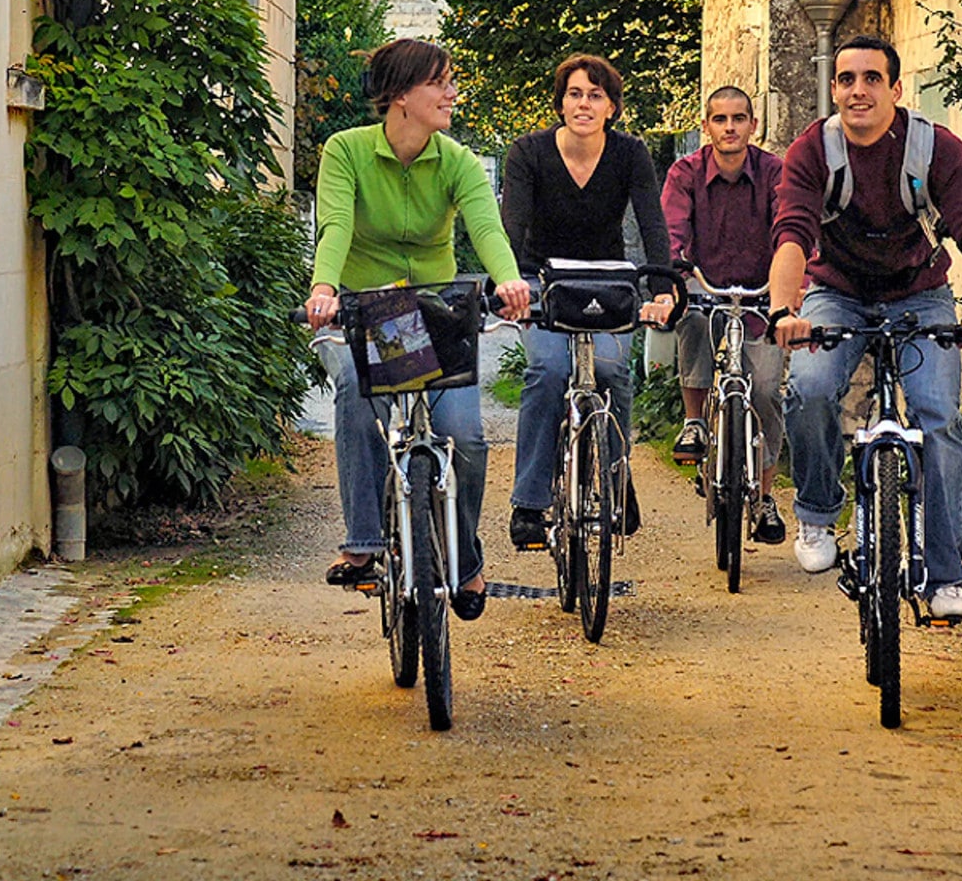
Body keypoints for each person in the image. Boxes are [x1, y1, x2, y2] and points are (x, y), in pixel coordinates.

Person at [767, 35, 962, 620]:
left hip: (920, 296)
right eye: (847, 80)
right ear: (834, 89)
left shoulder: (934, 149)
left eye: (872, 79)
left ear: (896, 89)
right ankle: (819, 512)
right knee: (812, 387)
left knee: (939, 419)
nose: (858, 91)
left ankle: (947, 578)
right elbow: (792, 233)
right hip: (837, 294)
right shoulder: (813, 151)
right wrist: (782, 313)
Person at [304, 39, 531, 622]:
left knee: (466, 436)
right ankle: (364, 542)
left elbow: (486, 228)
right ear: (401, 95)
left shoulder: (456, 160)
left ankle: (465, 554)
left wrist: (508, 282)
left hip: (436, 314)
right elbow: (334, 225)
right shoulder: (347, 151)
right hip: (363, 312)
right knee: (357, 386)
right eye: (440, 82)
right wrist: (325, 288)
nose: (452, 92)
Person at [501, 54, 677, 551]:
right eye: (575, 93)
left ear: (613, 108)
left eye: (595, 95)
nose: (584, 103)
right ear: (560, 103)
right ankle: (530, 503)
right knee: (549, 371)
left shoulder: (630, 154)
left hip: (606, 279)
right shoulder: (528, 153)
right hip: (542, 279)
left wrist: (662, 286)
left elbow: (651, 222)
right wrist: (508, 285)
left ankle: (618, 479)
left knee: (613, 372)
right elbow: (511, 227)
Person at [660, 84, 788, 546]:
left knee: (770, 391)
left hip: (761, 295)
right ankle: (695, 420)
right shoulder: (685, 173)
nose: (730, 127)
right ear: (706, 126)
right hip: (706, 288)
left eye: (739, 118)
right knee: (690, 316)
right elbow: (672, 231)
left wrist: (790, 286)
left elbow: (791, 230)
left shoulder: (777, 172)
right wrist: (675, 275)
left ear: (754, 125)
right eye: (720, 119)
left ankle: (767, 496)